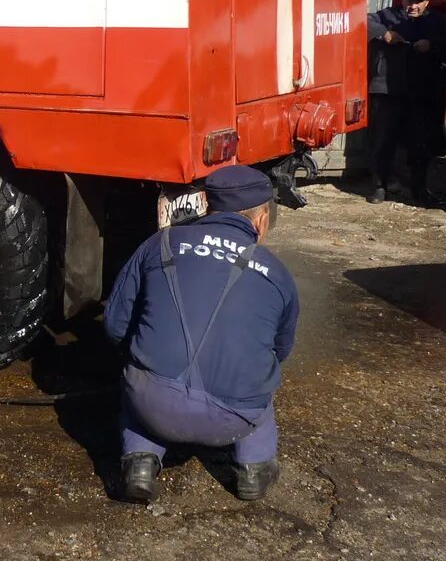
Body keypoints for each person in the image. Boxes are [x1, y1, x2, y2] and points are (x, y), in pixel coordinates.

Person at [103, 166, 299, 503]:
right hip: (234, 420)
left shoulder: (159, 244)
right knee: (262, 383)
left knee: (141, 375)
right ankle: (253, 468)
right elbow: (280, 350)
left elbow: (115, 324)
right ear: (262, 220)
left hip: (153, 405)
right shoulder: (278, 274)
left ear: (207, 206)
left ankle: (140, 463)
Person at [366, 0, 446, 204]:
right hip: (389, 89)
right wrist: (384, 34)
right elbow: (363, 21)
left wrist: (431, 45)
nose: (412, 6)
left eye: (418, 2)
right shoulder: (387, 15)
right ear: (403, 0)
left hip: (422, 92)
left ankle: (418, 190)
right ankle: (379, 187)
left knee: (420, 143)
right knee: (383, 140)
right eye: (409, 1)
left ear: (427, 2)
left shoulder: (437, 22)